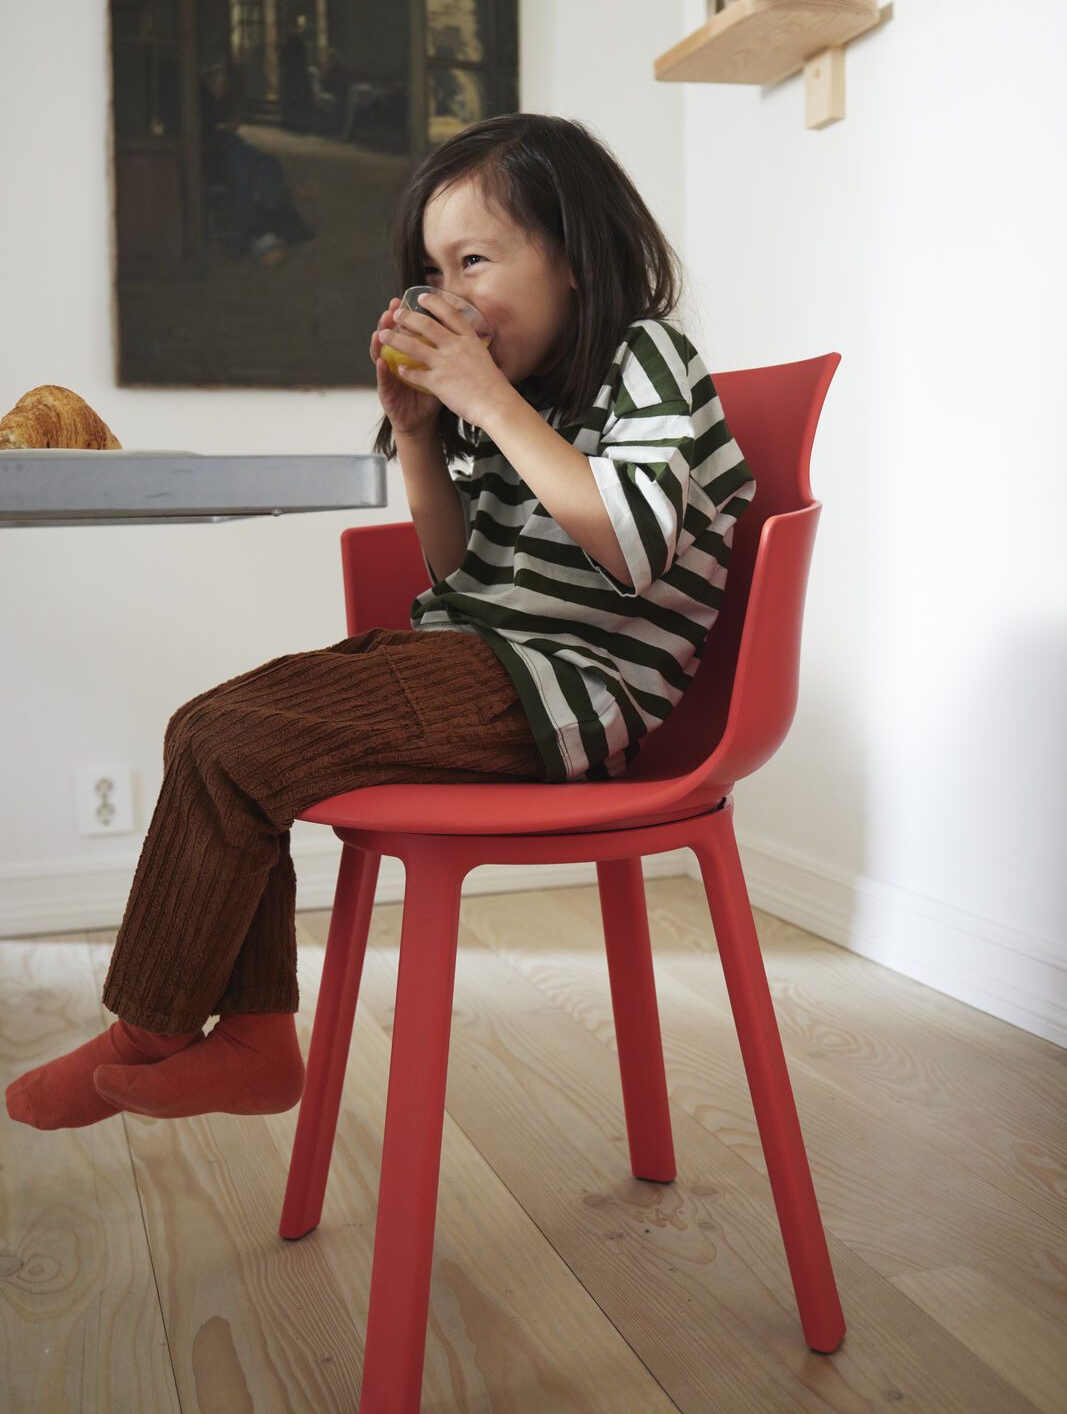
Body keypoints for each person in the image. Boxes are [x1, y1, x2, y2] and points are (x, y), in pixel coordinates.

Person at [5, 113, 754, 1132]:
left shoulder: (646, 356)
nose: (451, 295)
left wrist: (489, 405)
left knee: (228, 740)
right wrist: (416, 434)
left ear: (575, 254)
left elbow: (632, 547)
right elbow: (460, 571)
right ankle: (255, 1037)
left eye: (473, 260)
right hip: (478, 664)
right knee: (210, 731)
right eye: (432, 272)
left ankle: (152, 1032)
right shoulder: (518, 398)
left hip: (565, 690)